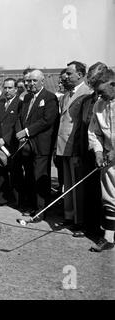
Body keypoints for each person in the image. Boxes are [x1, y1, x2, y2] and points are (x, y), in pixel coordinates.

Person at [15, 69, 59, 219]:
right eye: (29, 81)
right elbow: (21, 118)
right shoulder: (26, 98)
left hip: (41, 145)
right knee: (29, 176)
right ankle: (31, 206)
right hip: (26, 145)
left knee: (40, 177)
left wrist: (26, 131)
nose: (31, 83)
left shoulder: (50, 97)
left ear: (42, 81)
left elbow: (47, 120)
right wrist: (21, 133)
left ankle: (41, 210)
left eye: (34, 81)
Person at [56, 61, 92, 236]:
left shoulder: (87, 94)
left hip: (76, 147)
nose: (66, 76)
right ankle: (69, 216)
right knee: (68, 184)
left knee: (77, 187)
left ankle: (80, 221)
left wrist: (79, 149)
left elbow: (82, 126)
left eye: (70, 74)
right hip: (63, 145)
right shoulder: (66, 94)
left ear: (80, 74)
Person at [88, 68, 115, 252]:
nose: (99, 95)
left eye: (102, 90)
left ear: (113, 84)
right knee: (110, 197)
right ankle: (109, 238)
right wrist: (98, 151)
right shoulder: (98, 105)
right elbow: (94, 132)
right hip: (108, 159)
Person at [80, 62, 108, 237]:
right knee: (92, 191)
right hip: (90, 151)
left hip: (110, 153)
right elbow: (85, 127)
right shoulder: (87, 100)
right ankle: (92, 228)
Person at [0, 78, 23, 208]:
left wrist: (6, 139)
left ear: (15, 89)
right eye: (6, 88)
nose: (7, 91)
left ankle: (18, 201)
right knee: (0, 172)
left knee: (15, 172)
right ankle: (0, 199)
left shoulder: (20, 104)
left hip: (12, 144)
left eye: (10, 88)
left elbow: (17, 125)